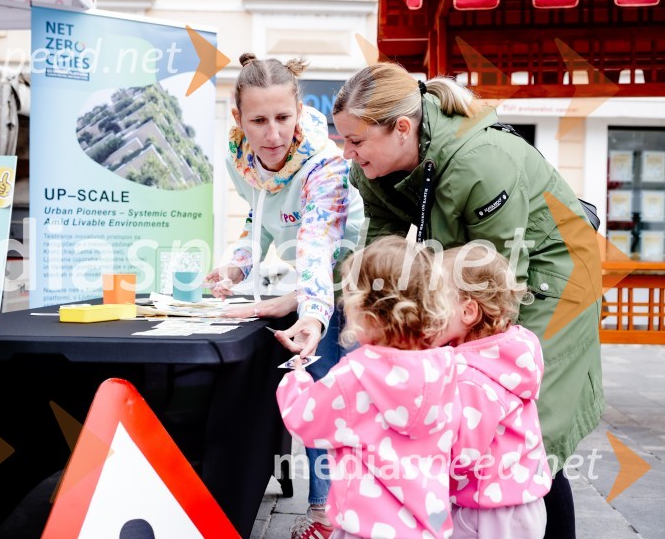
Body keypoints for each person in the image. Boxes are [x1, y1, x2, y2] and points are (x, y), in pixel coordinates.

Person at [332, 63, 602, 539]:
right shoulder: (373, 165)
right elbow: (380, 250)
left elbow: (498, 280)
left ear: (400, 128)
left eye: (356, 142)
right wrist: (367, 313)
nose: (349, 154)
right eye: (343, 141)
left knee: (525, 427)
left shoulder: (481, 160)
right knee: (469, 418)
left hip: (545, 279)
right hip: (470, 274)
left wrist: (435, 334)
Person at [203, 53, 364, 539]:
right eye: (258, 120)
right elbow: (263, 219)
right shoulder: (239, 157)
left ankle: (327, 516)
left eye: (282, 117)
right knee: (318, 390)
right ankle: (333, 510)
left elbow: (317, 245)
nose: (273, 133)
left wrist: (309, 311)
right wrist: (238, 264)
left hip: (351, 273)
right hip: (311, 278)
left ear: (298, 109)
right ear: (238, 120)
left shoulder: (326, 165)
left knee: (327, 391)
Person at [276, 235, 458, 539]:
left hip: (365, 525)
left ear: (367, 315)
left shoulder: (355, 374)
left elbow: (304, 421)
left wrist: (296, 377)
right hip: (430, 522)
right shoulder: (447, 366)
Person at [441, 243, 551, 539]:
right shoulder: (511, 352)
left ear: (467, 311)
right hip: (522, 501)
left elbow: (461, 457)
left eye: (433, 304)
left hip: (486, 507)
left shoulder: (471, 377)